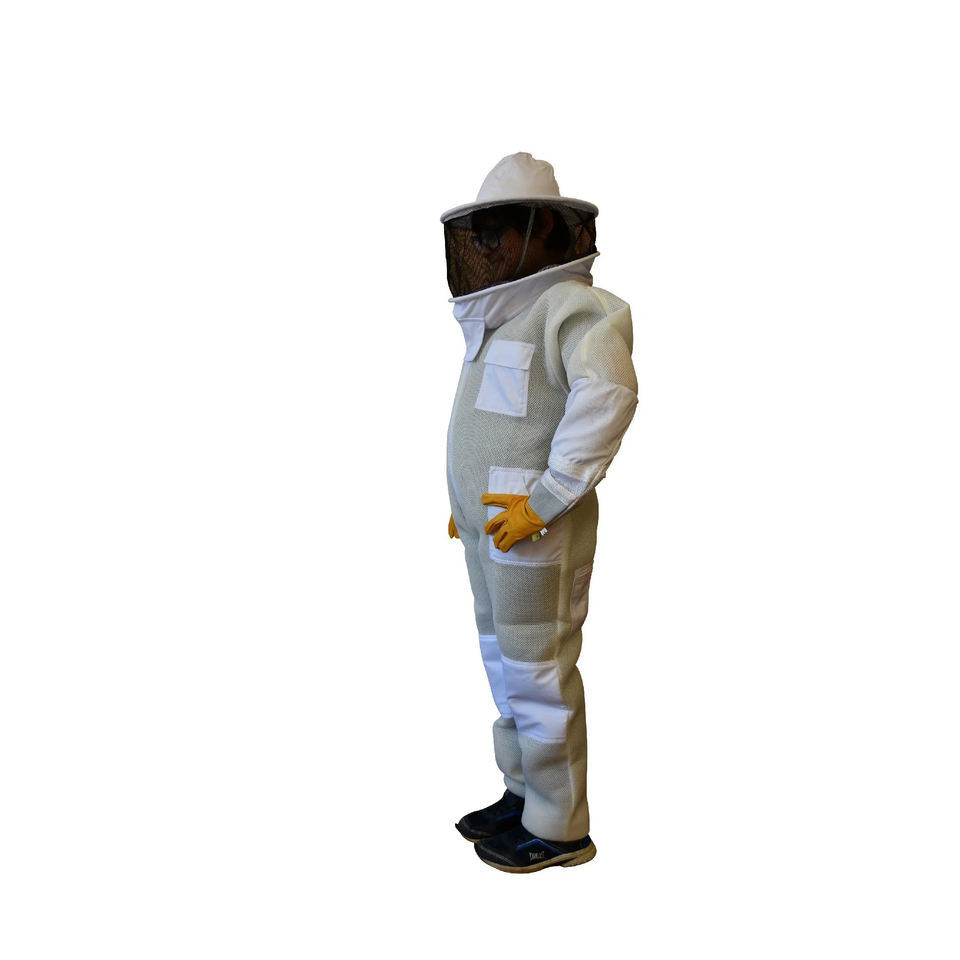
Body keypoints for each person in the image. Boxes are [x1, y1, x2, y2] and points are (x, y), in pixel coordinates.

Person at [443, 153, 638, 873]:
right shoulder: (501, 320)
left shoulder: (572, 308)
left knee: (539, 673)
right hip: (495, 533)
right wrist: (465, 504)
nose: (486, 247)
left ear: (542, 231)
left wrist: (549, 497)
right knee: (505, 664)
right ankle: (522, 792)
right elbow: (495, 430)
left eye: (498, 231)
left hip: (538, 535)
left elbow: (608, 395)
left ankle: (558, 825)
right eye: (479, 234)